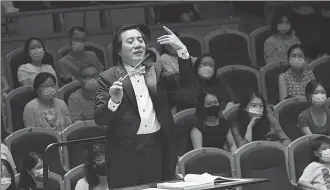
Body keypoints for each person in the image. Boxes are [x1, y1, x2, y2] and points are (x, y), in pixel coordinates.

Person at [94, 24, 194, 188]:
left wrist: (182, 50)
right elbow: (100, 119)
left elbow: (186, 84)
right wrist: (114, 102)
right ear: (119, 50)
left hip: (158, 147)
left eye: (140, 40)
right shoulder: (107, 78)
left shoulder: (157, 70)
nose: (137, 44)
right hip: (125, 154)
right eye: (130, 41)